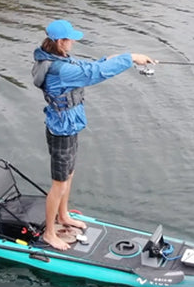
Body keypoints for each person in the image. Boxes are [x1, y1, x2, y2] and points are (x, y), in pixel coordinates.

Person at [31, 19, 157, 250]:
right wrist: (130, 58)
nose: (73, 44)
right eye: (71, 40)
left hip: (69, 125)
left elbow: (89, 67)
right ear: (61, 42)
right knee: (58, 183)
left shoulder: (57, 59)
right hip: (61, 130)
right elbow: (94, 74)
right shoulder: (61, 69)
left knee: (69, 174)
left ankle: (64, 215)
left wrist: (115, 58)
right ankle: (50, 233)